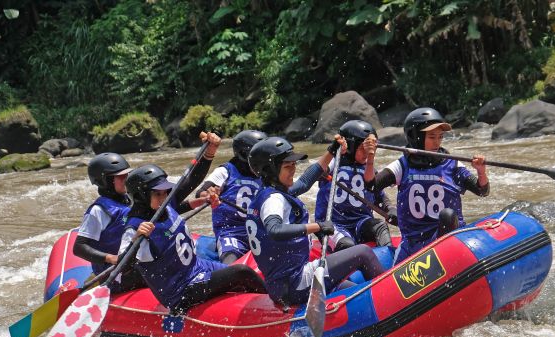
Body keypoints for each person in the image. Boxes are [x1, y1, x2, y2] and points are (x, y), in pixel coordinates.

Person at [121, 134, 267, 314]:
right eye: (157, 193)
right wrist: (136, 239)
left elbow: (191, 182)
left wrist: (209, 153)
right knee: (242, 272)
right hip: (180, 291)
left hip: (198, 268)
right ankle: (280, 307)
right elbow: (123, 267)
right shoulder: (135, 227)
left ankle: (265, 304)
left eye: (165, 192)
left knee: (247, 277)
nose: (164, 196)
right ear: (142, 196)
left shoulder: (164, 205)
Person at [245, 137, 386, 306]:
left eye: (294, 165)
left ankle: (375, 309)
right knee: (363, 252)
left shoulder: (268, 193)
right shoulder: (273, 200)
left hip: (285, 283)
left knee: (351, 289)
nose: (293, 170)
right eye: (287, 166)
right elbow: (274, 230)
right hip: (295, 282)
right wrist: (317, 226)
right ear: (270, 170)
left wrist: (331, 151)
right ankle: (389, 298)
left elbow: (305, 182)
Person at [364, 107, 489, 264]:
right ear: (416, 137)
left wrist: (481, 172)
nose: (437, 142)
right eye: (432, 137)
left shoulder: (452, 164)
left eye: (440, 137)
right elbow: (371, 186)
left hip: (447, 240)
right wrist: (370, 158)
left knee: (447, 215)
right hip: (412, 244)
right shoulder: (402, 165)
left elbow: (482, 190)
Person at [312, 120, 394, 250]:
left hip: (361, 223)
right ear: (351, 146)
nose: (367, 153)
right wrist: (332, 151)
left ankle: (392, 263)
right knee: (347, 245)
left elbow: (379, 196)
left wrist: (390, 209)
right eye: (363, 148)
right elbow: (315, 173)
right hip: (334, 225)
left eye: (370, 149)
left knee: (380, 226)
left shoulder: (369, 170)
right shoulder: (334, 163)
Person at [73, 152, 146, 292]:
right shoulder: (98, 211)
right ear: (105, 181)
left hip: (133, 263)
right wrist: (112, 258)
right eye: (121, 177)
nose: (127, 179)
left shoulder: (130, 200)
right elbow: (79, 247)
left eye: (127, 175)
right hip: (115, 273)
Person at [193, 129, 268, 264]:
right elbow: (200, 193)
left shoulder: (265, 174)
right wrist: (210, 195)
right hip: (231, 233)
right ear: (245, 155)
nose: (263, 160)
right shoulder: (225, 171)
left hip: (258, 231)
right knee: (230, 261)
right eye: (258, 156)